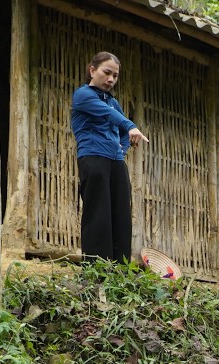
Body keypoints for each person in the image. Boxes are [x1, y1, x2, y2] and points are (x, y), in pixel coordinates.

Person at [70, 51, 149, 263]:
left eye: (115, 76)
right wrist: (131, 125)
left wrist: (121, 150)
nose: (111, 79)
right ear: (92, 70)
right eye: (106, 73)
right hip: (93, 159)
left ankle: (119, 269)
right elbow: (110, 116)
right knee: (98, 213)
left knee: (121, 214)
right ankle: (96, 267)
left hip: (116, 162)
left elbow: (121, 129)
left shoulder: (114, 103)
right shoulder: (83, 95)